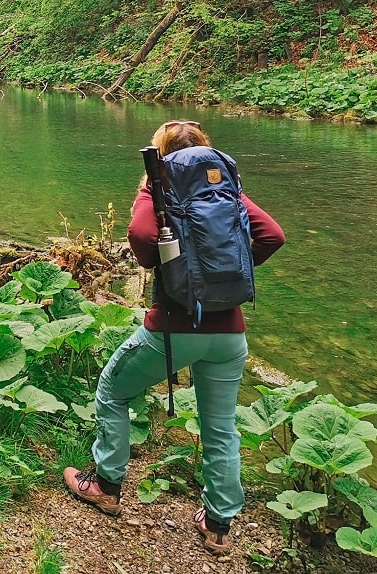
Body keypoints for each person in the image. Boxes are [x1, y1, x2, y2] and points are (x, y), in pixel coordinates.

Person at [64, 120, 285, 556]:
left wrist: (162, 251)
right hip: (229, 334)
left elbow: (142, 238)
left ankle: (106, 485)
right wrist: (228, 271)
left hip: (172, 329)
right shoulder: (224, 189)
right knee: (220, 428)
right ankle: (218, 525)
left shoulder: (160, 187)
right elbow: (272, 236)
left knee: (112, 390)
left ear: (160, 156)